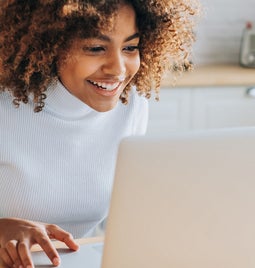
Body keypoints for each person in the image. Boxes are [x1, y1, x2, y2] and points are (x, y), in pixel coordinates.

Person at [0, 0, 199, 267]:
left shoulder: (131, 105)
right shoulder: (5, 108)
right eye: (96, 48)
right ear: (49, 44)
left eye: (130, 47)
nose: (117, 69)